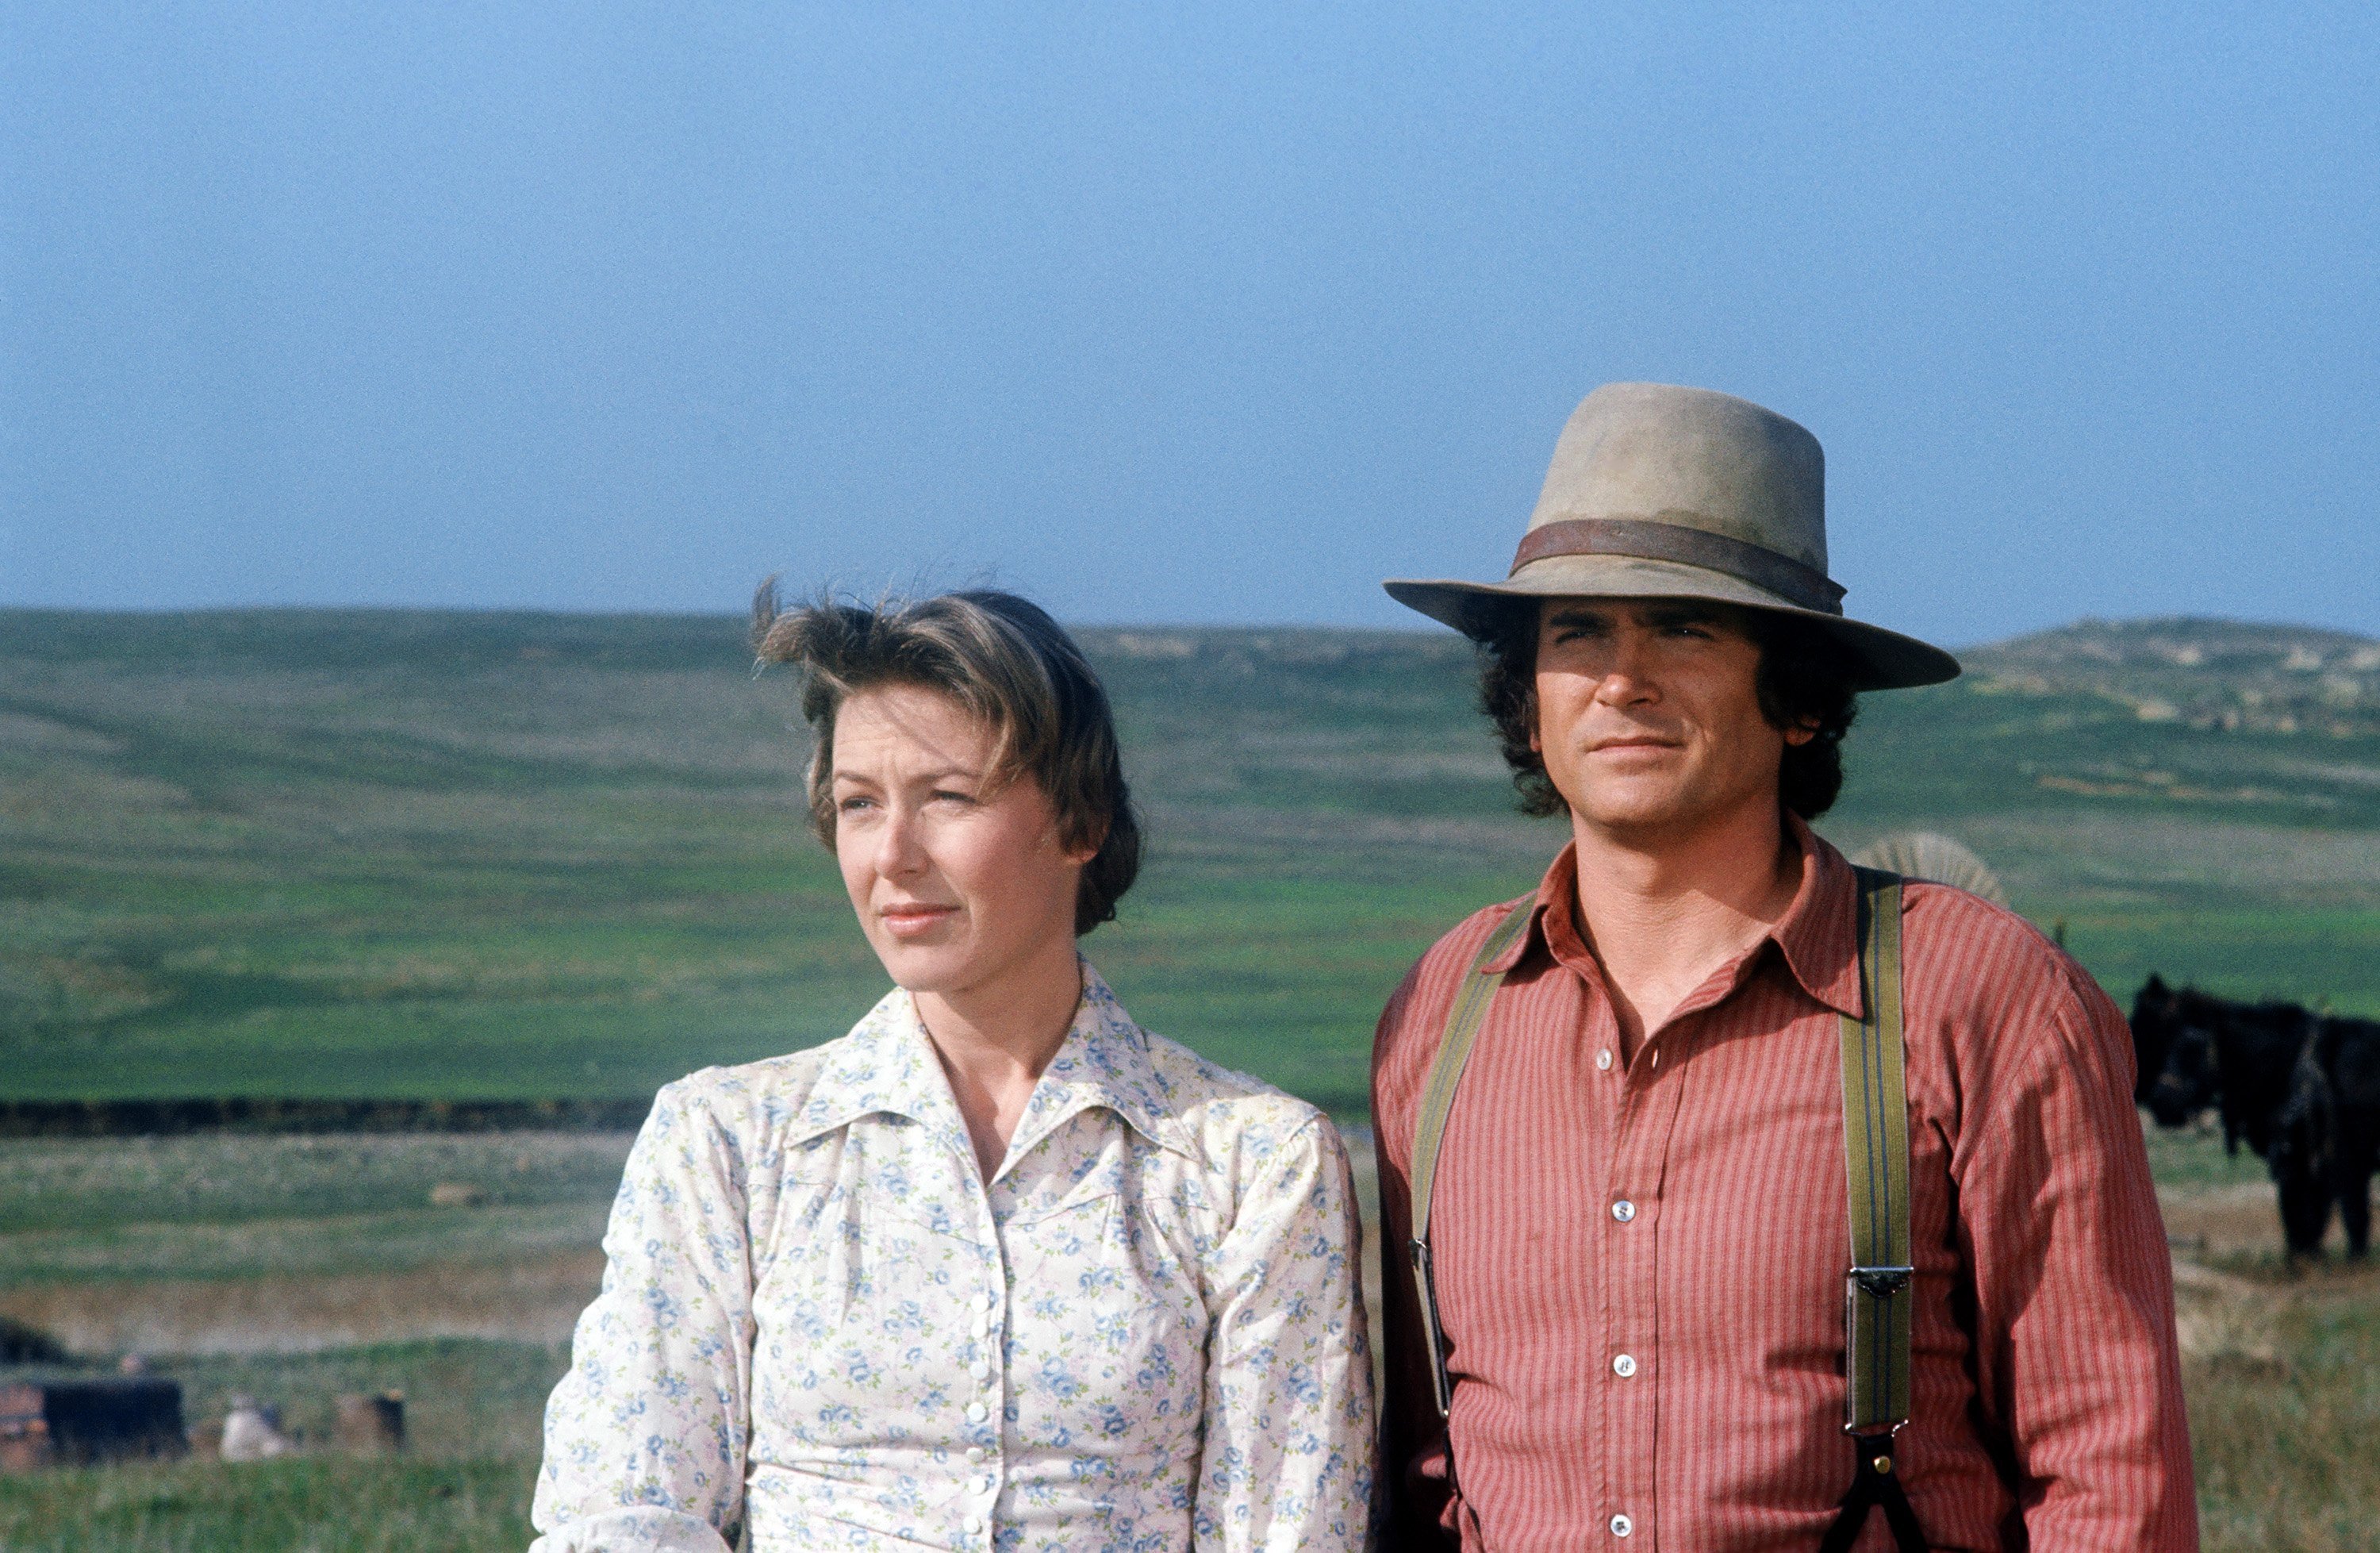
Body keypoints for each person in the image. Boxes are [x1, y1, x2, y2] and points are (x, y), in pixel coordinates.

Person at [1371, 383, 2195, 1550]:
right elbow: (1425, 1464)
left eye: (1686, 626)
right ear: (1529, 692)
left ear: (1801, 695)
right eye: (1576, 631)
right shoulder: (1440, 1015)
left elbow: (2112, 1472)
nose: (1623, 678)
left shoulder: (1981, 1002)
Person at [531, 588, 1374, 1553]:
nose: (892, 856)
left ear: (1079, 822)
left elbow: (1288, 1527)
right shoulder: (728, 1143)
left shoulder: (1249, 1165)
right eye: (858, 804)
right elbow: (623, 1509)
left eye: (948, 797)